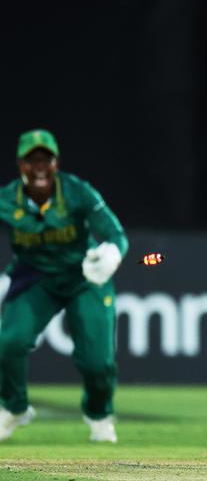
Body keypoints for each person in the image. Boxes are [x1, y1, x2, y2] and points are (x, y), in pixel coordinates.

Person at [0, 129, 128, 442]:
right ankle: (14, 407)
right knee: (9, 342)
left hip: (84, 276)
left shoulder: (77, 192)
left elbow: (115, 234)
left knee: (98, 362)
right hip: (35, 278)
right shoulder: (6, 199)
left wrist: (112, 254)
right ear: (20, 165)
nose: (40, 166)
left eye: (46, 159)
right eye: (32, 160)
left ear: (56, 163)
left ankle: (99, 415)